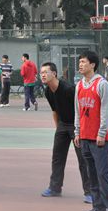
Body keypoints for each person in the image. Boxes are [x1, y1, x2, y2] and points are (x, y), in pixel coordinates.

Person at [39, 62, 91, 202]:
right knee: (57, 157)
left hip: (76, 125)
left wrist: (79, 129)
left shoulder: (68, 89)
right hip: (62, 125)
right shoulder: (48, 91)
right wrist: (59, 129)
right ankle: (55, 188)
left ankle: (90, 192)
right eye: (41, 73)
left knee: (83, 159)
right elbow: (54, 111)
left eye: (45, 72)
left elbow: (81, 109)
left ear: (54, 73)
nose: (42, 75)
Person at [73, 51, 108, 211]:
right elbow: (77, 111)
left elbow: (106, 111)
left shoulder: (101, 84)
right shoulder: (79, 85)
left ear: (93, 65)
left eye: (83, 62)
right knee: (91, 174)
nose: (80, 65)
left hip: (98, 138)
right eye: (80, 62)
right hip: (84, 136)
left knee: (102, 173)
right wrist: (77, 131)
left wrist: (102, 133)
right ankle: (99, 208)